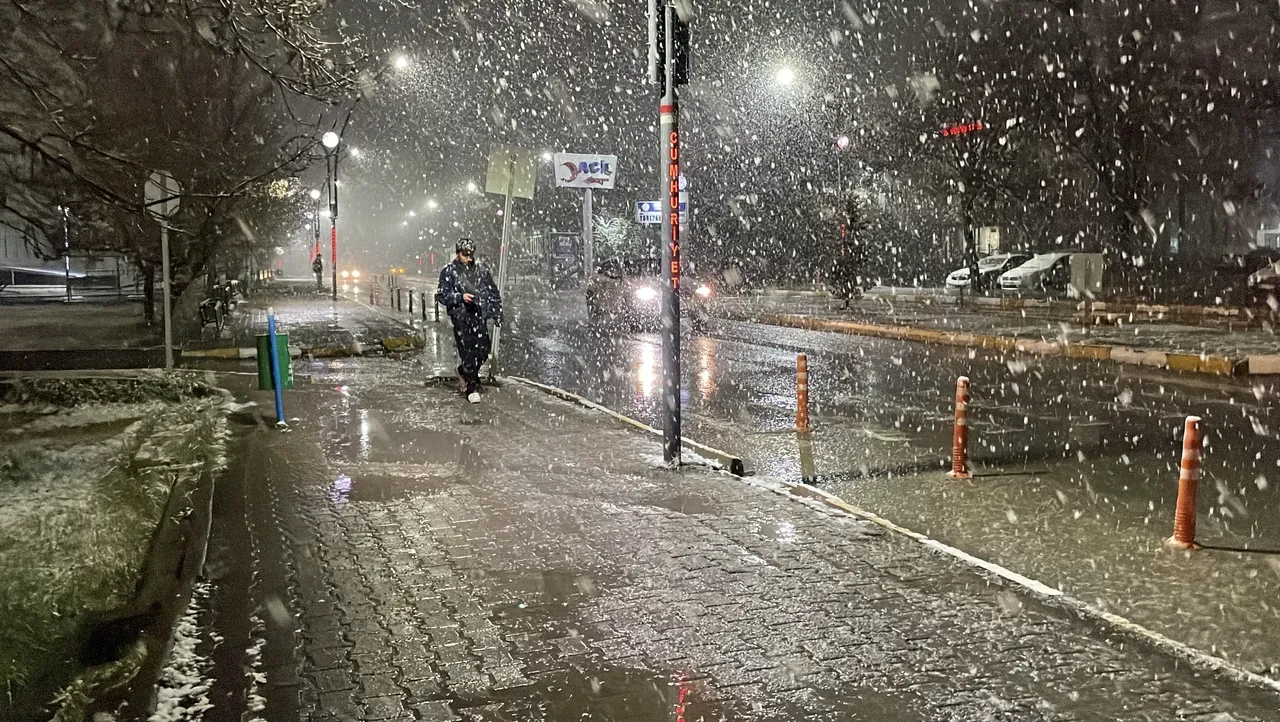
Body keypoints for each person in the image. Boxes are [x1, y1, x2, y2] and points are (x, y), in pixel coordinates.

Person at [435, 238, 502, 403]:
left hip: (478, 315)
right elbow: (442, 294)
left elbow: (492, 291)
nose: (469, 258)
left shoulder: (481, 271)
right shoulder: (449, 271)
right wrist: (460, 297)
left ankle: (466, 372)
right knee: (468, 351)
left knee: (483, 349)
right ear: (458, 253)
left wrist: (496, 312)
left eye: (470, 254)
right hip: (460, 317)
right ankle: (471, 386)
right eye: (465, 254)